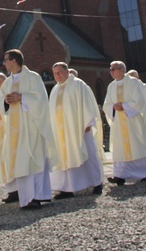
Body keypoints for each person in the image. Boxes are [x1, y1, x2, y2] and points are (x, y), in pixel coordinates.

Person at [0, 49, 55, 209]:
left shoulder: (33, 78)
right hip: (14, 130)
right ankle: (26, 198)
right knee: (21, 162)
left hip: (31, 127)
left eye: (6, 60)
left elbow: (41, 100)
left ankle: (38, 196)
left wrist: (22, 97)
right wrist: (6, 101)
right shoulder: (7, 83)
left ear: (14, 60)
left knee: (34, 159)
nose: (4, 63)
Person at [49, 62, 104, 199]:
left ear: (67, 71)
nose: (58, 75)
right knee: (64, 157)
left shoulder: (78, 84)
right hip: (62, 132)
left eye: (60, 72)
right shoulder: (55, 89)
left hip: (79, 128)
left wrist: (87, 123)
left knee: (88, 155)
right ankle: (67, 188)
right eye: (55, 73)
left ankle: (96, 183)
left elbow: (88, 104)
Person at [103, 61, 146, 183]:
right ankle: (120, 175)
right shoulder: (111, 86)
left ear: (122, 70)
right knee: (120, 147)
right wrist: (113, 107)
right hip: (119, 123)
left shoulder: (134, 83)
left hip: (133, 121)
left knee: (138, 144)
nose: (111, 72)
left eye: (113, 69)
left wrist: (124, 105)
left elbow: (139, 101)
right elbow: (107, 104)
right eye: (110, 70)